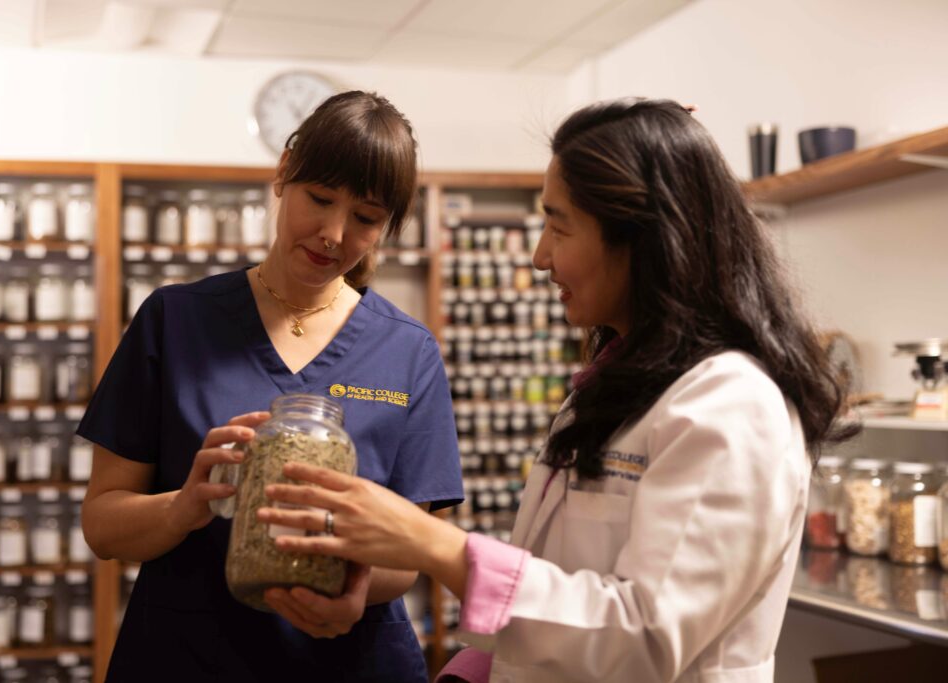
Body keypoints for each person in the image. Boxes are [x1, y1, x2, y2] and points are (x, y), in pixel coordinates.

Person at [257, 97, 856, 683]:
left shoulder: (732, 406)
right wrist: (475, 669)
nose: (541, 256)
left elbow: (644, 638)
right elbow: (556, 589)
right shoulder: (615, 386)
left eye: (558, 226)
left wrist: (434, 545)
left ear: (643, 238)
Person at [79, 90, 463, 682]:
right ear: (285, 172)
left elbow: (419, 546)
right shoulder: (174, 320)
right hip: (189, 656)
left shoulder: (407, 350)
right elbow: (103, 524)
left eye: (364, 218)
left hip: (348, 661)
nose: (334, 232)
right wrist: (183, 507)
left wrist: (356, 585)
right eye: (320, 198)